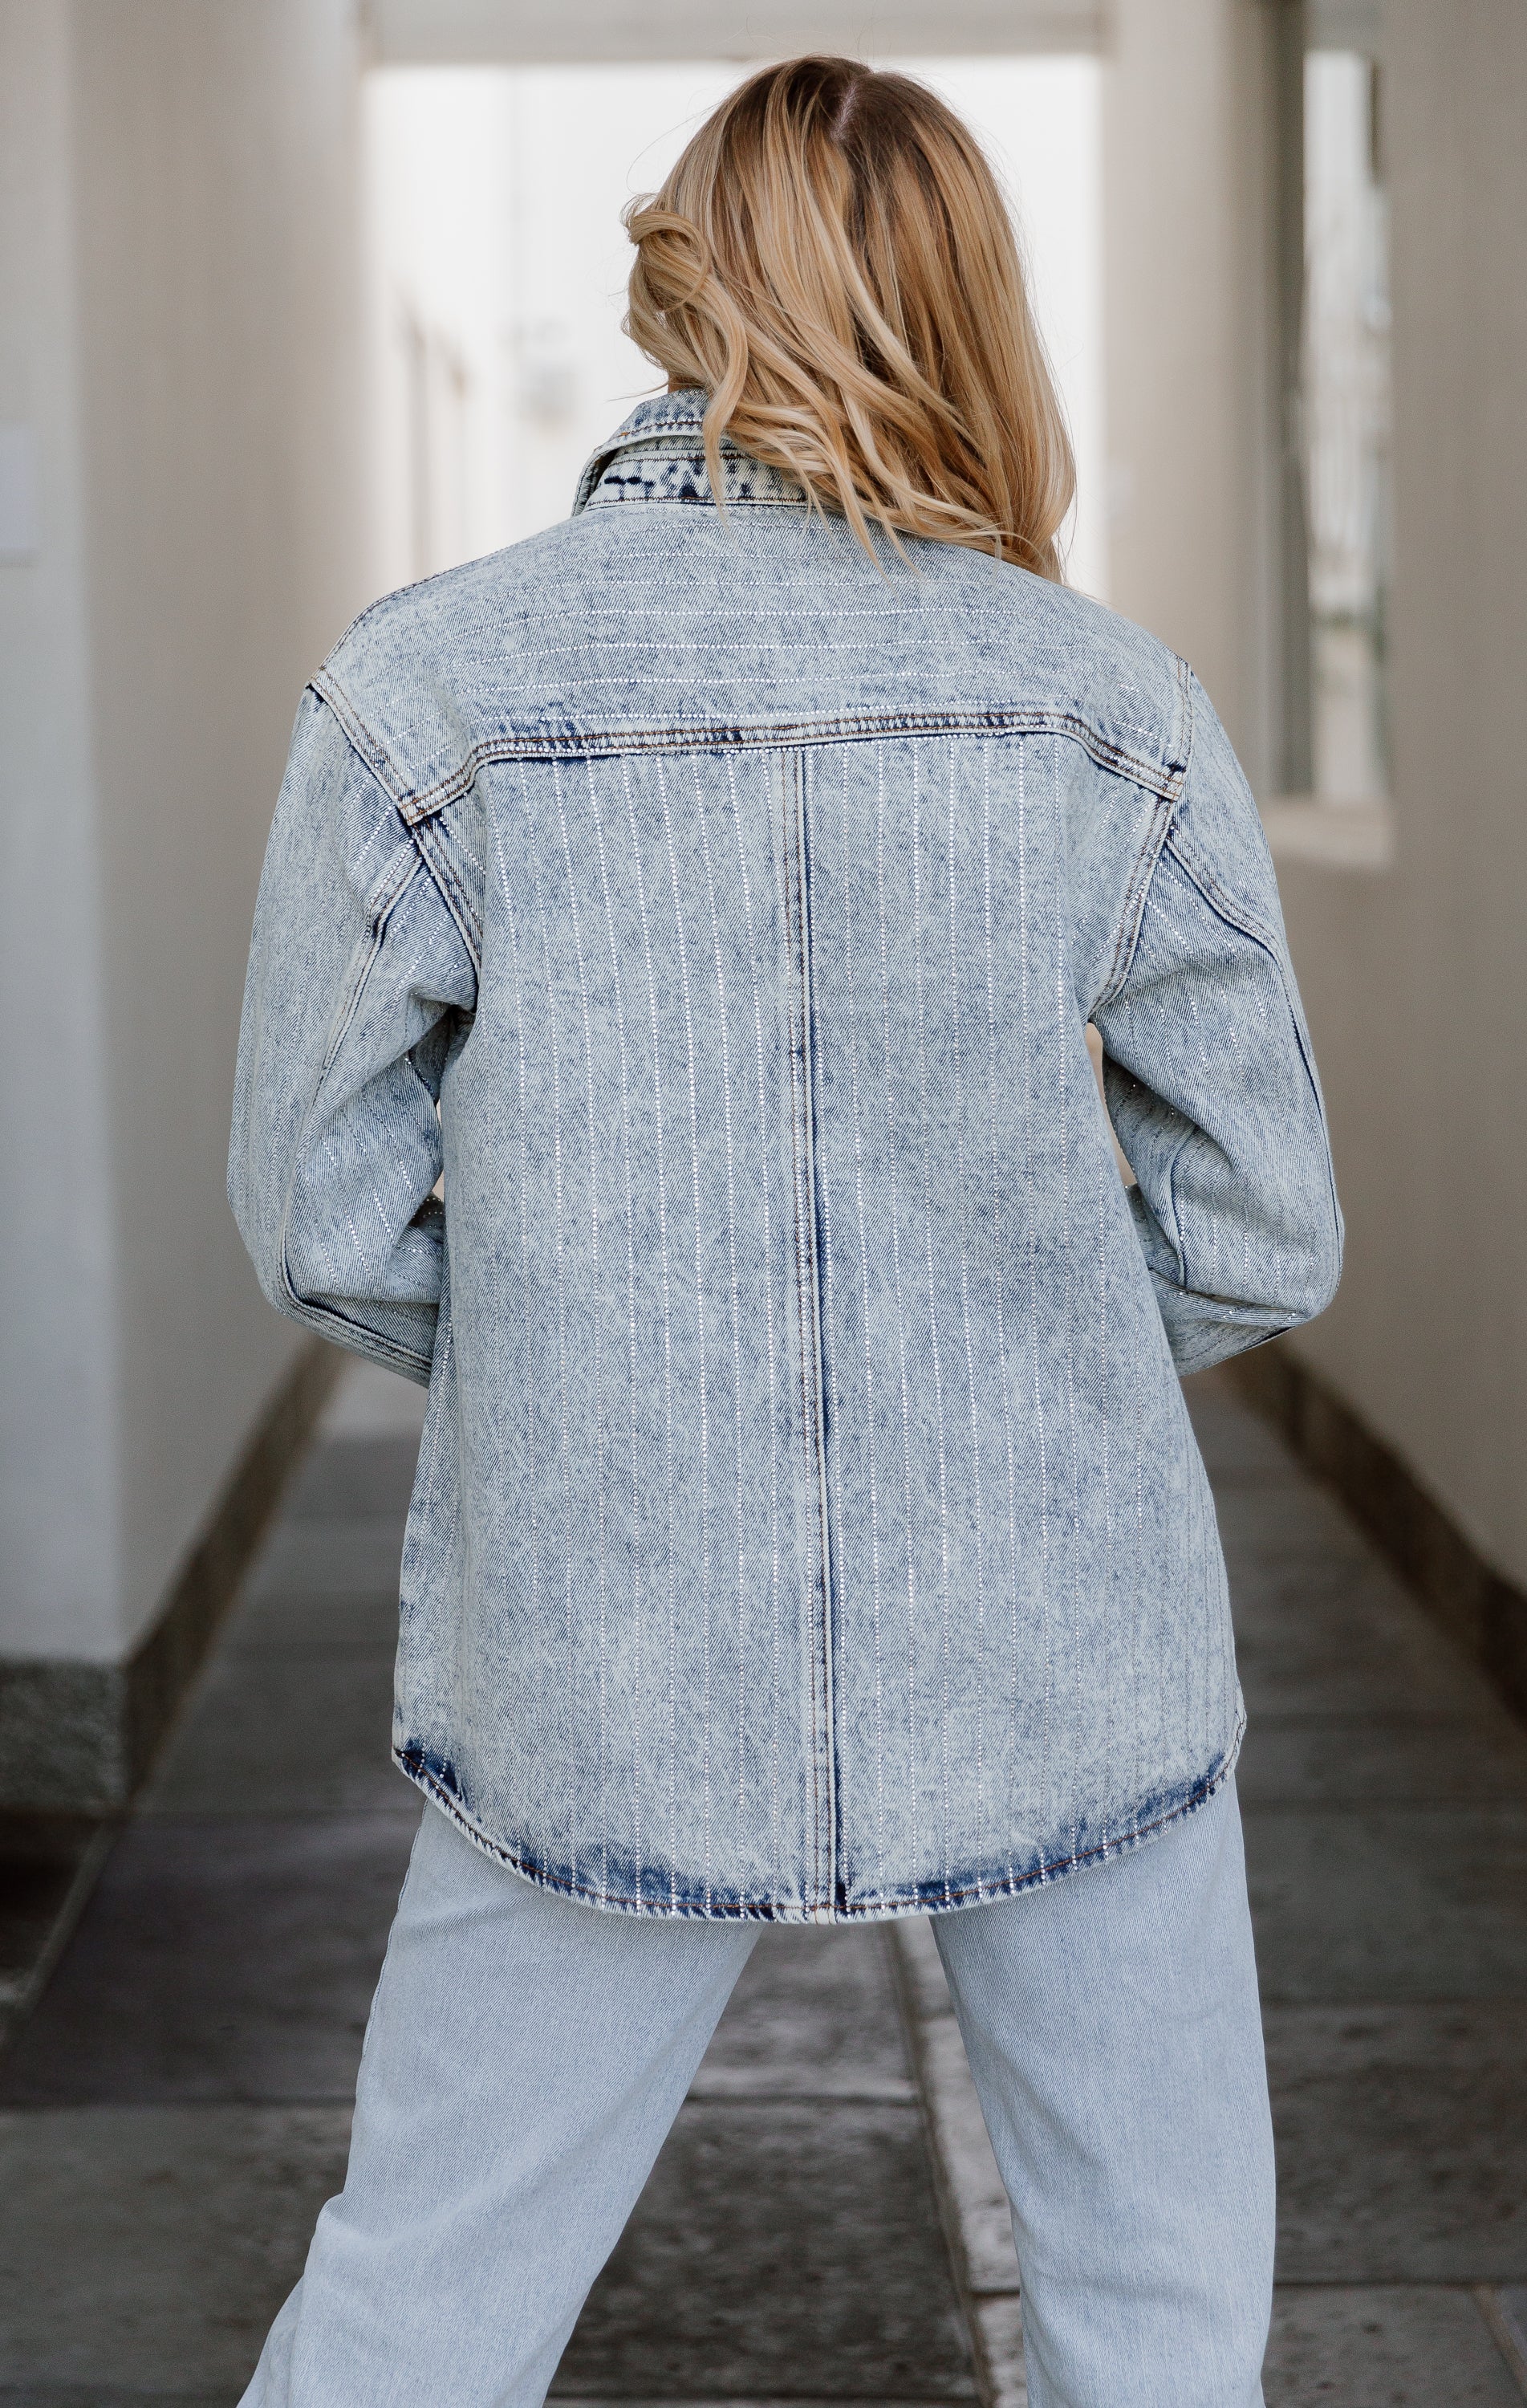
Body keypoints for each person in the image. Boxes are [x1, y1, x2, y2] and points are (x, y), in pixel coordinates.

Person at [229, 55, 1340, 2408]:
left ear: (677, 286)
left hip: (602, 1644)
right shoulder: (1110, 710)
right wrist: (1015, 1362)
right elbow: (1263, 1228)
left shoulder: (431, 689)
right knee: (1161, 2318)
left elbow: (322, 1221)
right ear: (972, 309)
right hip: (1069, 1641)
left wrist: (582, 1344)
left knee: (418, 2309)